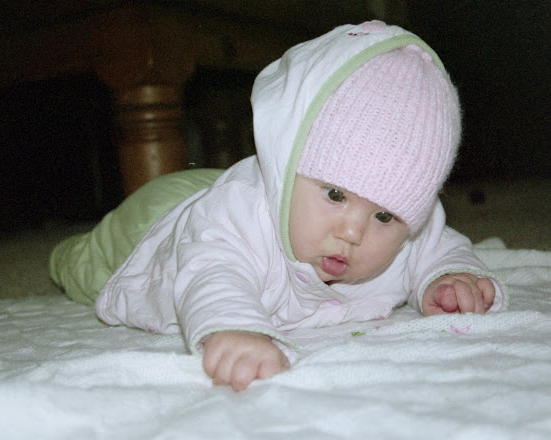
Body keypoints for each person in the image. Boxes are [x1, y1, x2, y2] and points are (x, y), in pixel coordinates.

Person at [50, 21, 508, 392]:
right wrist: (237, 329)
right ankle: (64, 254)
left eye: (384, 216)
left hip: (226, 189)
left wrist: (451, 276)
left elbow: (440, 246)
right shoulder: (234, 218)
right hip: (164, 217)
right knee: (90, 266)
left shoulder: (411, 231)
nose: (352, 232)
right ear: (286, 163)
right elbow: (215, 269)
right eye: (335, 194)